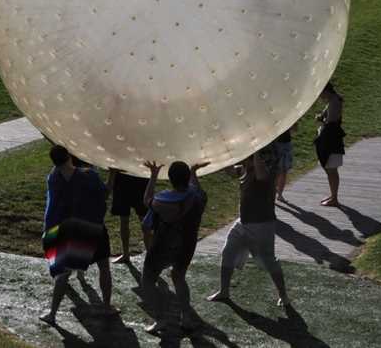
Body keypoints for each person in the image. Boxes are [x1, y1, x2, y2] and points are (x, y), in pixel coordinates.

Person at [39, 145, 117, 325]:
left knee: (64, 274)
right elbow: (105, 194)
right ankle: (106, 307)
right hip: (92, 227)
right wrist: (113, 173)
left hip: (67, 230)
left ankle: (52, 314)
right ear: (69, 156)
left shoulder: (53, 178)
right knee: (103, 266)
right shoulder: (89, 176)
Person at [207, 143, 290, 307]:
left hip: (262, 225)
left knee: (268, 261)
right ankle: (224, 291)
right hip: (243, 223)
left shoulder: (267, 171)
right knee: (228, 251)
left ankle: (284, 295)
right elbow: (231, 172)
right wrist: (222, 158)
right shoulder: (245, 169)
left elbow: (260, 176)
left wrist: (254, 150)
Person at [140, 160, 208, 334]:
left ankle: (161, 319)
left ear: (170, 179)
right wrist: (194, 173)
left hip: (163, 246)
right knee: (179, 278)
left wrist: (153, 175)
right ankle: (186, 317)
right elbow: (196, 189)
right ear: (187, 178)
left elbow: (147, 200)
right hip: (186, 246)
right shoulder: (198, 197)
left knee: (148, 281)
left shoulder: (163, 200)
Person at [108, 170, 151, 263]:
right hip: (122, 180)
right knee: (123, 220)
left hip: (140, 179)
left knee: (145, 221)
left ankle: (151, 256)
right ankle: (125, 254)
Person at [315, 83, 345, 207]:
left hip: (332, 140)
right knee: (329, 169)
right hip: (330, 139)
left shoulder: (334, 102)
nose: (320, 97)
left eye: (321, 94)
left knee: (331, 169)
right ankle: (333, 195)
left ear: (326, 91)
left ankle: (334, 198)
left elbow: (331, 121)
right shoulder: (332, 101)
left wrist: (321, 118)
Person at [274, 125, 295, 202]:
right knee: (277, 171)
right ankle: (276, 193)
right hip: (277, 143)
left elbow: (294, 129)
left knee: (283, 171)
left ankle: (279, 194)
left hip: (285, 143)